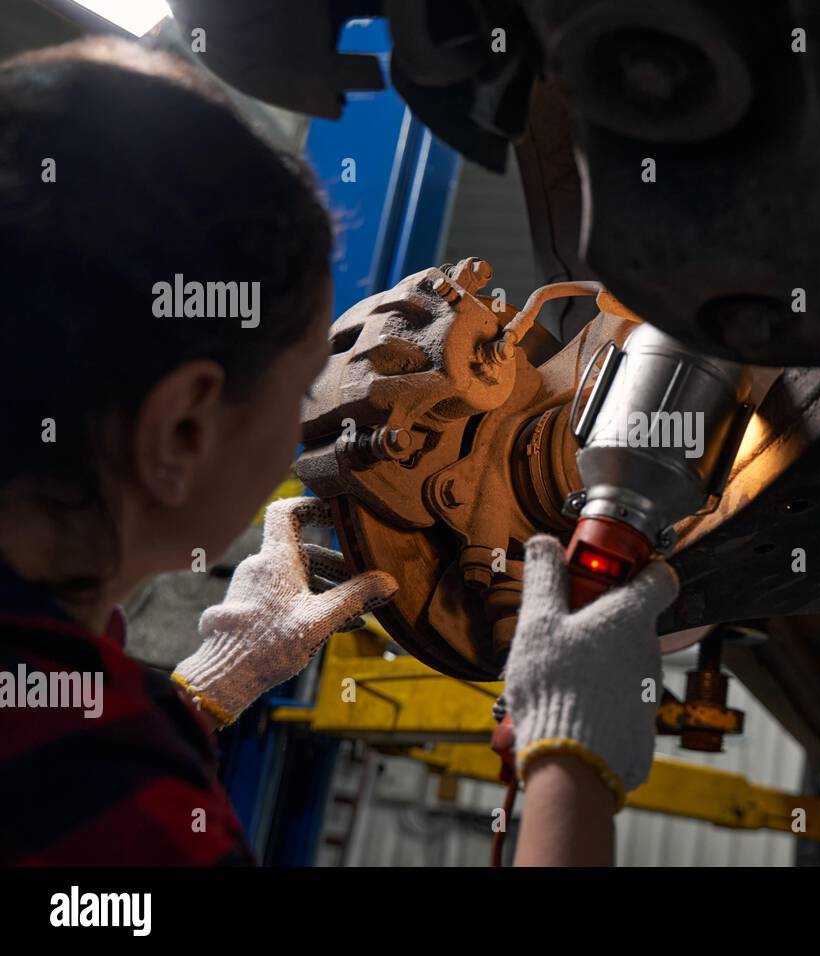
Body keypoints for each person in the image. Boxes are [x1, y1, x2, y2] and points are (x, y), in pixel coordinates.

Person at [0, 37, 676, 866]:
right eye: (294, 395)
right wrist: (573, 770)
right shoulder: (128, 820)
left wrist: (208, 689)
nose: (300, 433)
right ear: (183, 429)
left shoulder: (69, 738)